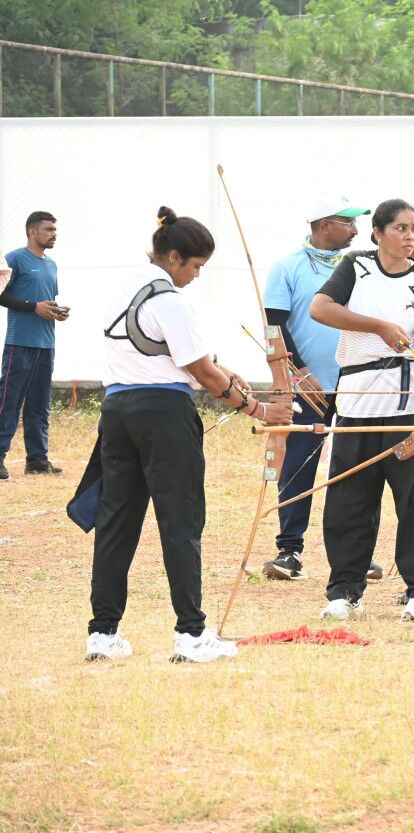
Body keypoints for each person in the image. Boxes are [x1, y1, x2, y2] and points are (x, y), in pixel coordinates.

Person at [88, 206, 292, 663]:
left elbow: (183, 356)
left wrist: (220, 370)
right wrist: (257, 407)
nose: (197, 276)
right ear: (174, 256)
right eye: (196, 266)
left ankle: (102, 634)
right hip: (162, 413)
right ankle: (192, 634)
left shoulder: (125, 284)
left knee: (116, 521)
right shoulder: (169, 298)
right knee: (181, 522)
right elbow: (200, 371)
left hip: (117, 411)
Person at [310, 199, 414, 623]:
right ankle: (344, 590)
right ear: (379, 233)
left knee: (413, 501)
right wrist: (378, 326)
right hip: (354, 402)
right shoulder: (356, 266)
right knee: (348, 500)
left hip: (407, 406)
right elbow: (321, 308)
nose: (410, 236)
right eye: (401, 228)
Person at [260, 195, 383, 582]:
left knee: (354, 469)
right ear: (325, 223)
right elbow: (273, 327)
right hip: (309, 387)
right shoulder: (287, 267)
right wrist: (298, 371)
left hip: (357, 383)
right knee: (299, 465)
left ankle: (355, 555)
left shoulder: (365, 266)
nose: (356, 230)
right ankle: (289, 551)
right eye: (348, 222)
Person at [0, 211, 66, 480]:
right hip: (20, 342)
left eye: (54, 229)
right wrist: (32, 307)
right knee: (9, 401)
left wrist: (57, 311)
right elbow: (1, 296)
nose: (54, 234)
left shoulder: (51, 265)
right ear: (32, 232)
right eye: (49, 229)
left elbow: (45, 300)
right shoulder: (14, 259)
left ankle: (37, 459)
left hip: (46, 343)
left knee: (40, 403)